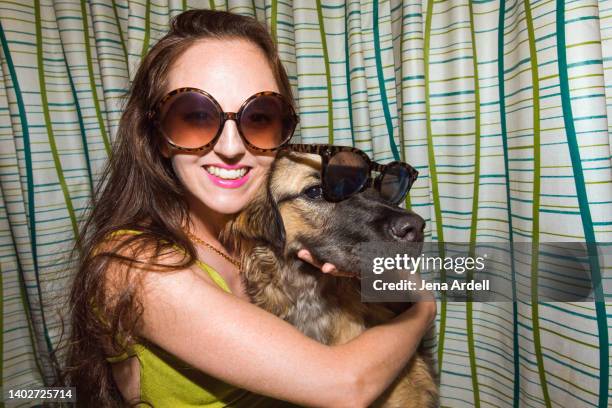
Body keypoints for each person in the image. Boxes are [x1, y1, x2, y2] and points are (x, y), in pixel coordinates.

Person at [61, 9, 436, 407]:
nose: (230, 147)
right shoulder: (136, 265)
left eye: (258, 117)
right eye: (195, 117)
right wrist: (423, 308)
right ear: (160, 137)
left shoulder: (258, 234)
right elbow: (345, 387)